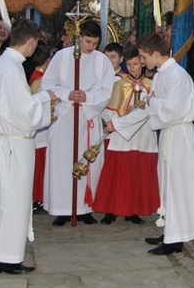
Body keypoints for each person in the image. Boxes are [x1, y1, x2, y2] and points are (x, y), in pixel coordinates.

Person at [0, 19, 58, 275]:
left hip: (4, 143)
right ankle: (6, 258)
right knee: (13, 201)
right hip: (14, 145)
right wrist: (45, 97)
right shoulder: (11, 70)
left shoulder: (2, 65)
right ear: (31, 43)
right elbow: (23, 112)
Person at [113, 32, 194, 255]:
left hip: (180, 135)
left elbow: (172, 110)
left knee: (178, 185)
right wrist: (118, 123)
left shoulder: (177, 76)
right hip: (168, 135)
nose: (142, 62)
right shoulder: (162, 75)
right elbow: (149, 106)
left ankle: (175, 240)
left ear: (155, 53)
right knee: (167, 184)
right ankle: (171, 231)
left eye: (144, 57)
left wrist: (153, 102)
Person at [41, 20, 116, 226]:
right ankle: (62, 208)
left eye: (95, 42)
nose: (90, 47)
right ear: (79, 37)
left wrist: (87, 98)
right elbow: (47, 84)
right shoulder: (62, 57)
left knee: (86, 162)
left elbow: (107, 91)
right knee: (62, 162)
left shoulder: (102, 61)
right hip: (65, 117)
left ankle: (85, 209)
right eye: (87, 41)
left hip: (86, 118)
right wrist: (67, 94)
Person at [93, 46, 159, 224]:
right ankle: (111, 210)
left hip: (143, 135)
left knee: (137, 172)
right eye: (129, 64)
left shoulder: (152, 85)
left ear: (142, 64)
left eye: (136, 64)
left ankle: (133, 210)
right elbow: (109, 109)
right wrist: (117, 118)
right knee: (118, 173)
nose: (132, 68)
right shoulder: (119, 84)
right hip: (122, 135)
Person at [28, 42, 52, 213]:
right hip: (41, 131)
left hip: (39, 130)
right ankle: (38, 198)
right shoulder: (40, 80)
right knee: (40, 165)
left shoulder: (34, 76)